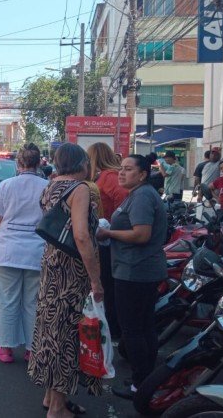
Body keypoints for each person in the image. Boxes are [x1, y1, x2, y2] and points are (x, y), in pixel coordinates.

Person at [27, 142, 103, 417]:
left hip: (51, 266)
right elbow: (81, 236)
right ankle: (58, 408)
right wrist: (96, 280)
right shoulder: (79, 189)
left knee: (50, 331)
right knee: (65, 337)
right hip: (71, 272)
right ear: (82, 163)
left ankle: (50, 397)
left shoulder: (51, 186)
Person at [96, 154, 167, 400]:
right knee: (144, 326)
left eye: (128, 169)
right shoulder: (137, 195)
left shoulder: (143, 197)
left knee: (133, 329)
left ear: (143, 174)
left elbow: (141, 235)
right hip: (135, 269)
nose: (121, 173)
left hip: (136, 271)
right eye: (121, 169)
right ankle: (147, 379)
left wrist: (108, 233)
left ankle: (140, 384)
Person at [0, 143, 48, 364]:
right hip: (36, 252)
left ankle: (6, 349)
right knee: (33, 303)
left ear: (19, 163)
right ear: (39, 163)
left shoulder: (7, 185)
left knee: (7, 302)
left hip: (7, 251)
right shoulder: (48, 186)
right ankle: (31, 349)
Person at [87, 142, 128, 340]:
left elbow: (122, 201)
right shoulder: (103, 176)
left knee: (107, 287)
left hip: (110, 237)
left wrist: (112, 224)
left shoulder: (109, 177)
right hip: (106, 236)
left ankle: (112, 329)